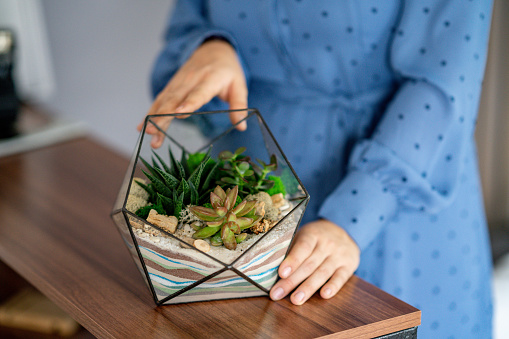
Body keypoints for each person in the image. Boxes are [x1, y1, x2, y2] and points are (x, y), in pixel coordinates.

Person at [139, 1, 494, 337]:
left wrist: (353, 218)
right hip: (245, 195)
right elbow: (187, 24)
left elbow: (442, 87)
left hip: (394, 196)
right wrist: (211, 47)